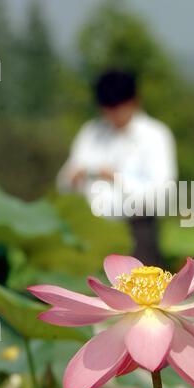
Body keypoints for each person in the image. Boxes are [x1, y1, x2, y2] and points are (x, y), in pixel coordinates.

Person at [57, 69, 177, 266]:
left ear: (134, 101)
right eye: (107, 109)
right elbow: (64, 181)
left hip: (137, 231)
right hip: (91, 232)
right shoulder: (90, 132)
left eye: (118, 107)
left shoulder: (156, 136)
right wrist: (73, 179)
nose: (113, 115)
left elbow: (163, 194)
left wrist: (117, 178)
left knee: (140, 293)